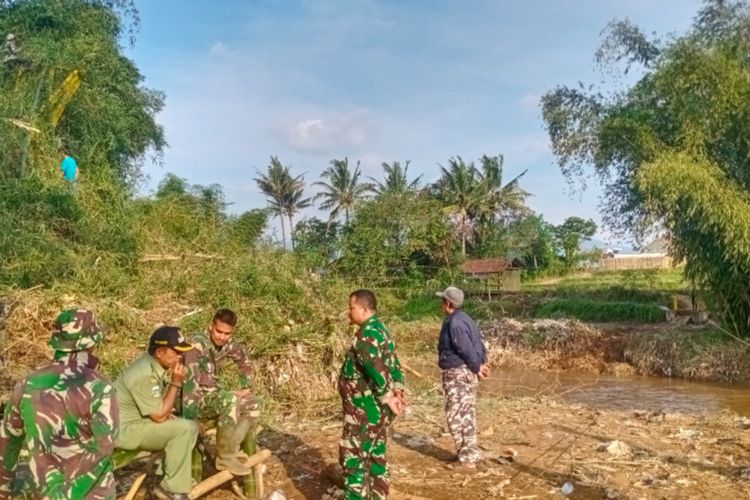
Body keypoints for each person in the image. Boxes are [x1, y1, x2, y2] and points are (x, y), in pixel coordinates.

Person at [0, 308, 118, 499]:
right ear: (93, 342)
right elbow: (104, 446)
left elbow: (8, 442)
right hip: (92, 493)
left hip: (43, 490)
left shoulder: (27, 384)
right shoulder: (100, 387)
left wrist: (3, 489)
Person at [113, 326, 197, 500]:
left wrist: (164, 411)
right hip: (125, 432)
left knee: (187, 426)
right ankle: (171, 487)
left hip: (138, 423)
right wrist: (175, 383)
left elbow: (158, 409)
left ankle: (164, 478)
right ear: (160, 352)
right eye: (177, 352)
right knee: (184, 429)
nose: (180, 357)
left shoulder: (152, 365)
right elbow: (159, 416)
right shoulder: (144, 375)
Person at [338, 289, 406, 499]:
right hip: (375, 411)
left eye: (352, 308)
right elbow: (394, 364)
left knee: (354, 458)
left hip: (364, 411)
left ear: (364, 309)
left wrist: (388, 396)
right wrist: (397, 390)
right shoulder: (381, 329)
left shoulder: (367, 335)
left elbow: (376, 368)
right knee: (376, 456)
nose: (349, 312)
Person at [181, 309, 260, 476]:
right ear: (211, 326)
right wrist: (191, 419)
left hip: (213, 397)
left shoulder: (227, 344)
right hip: (195, 401)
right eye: (219, 331)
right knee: (228, 399)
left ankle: (229, 448)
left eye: (227, 333)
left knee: (254, 403)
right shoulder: (196, 345)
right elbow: (188, 386)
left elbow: (245, 362)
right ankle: (225, 458)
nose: (222, 337)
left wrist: (246, 386)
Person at [435, 286, 489, 469]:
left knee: (456, 415)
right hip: (465, 373)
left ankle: (468, 459)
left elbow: (465, 347)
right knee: (466, 413)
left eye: (443, 301)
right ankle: (469, 454)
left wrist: (476, 366)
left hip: (458, 374)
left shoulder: (454, 323)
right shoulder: (465, 319)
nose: (441, 304)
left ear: (449, 303)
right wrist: (481, 363)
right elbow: (478, 344)